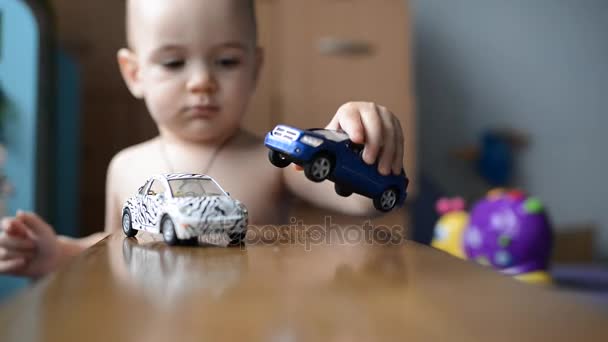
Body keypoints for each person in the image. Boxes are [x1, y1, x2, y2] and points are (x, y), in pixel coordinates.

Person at [0, 0, 407, 278]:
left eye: (227, 61)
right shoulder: (125, 168)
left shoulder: (268, 161)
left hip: (243, 324)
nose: (202, 82)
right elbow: (112, 250)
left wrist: (366, 143)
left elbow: (360, 202)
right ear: (134, 73)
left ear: (255, 66)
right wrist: (56, 252)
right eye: (174, 62)